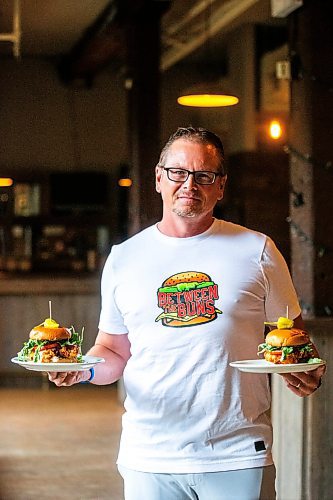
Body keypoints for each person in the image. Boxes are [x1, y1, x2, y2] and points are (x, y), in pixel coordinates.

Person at [48, 126, 325, 500]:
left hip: (236, 452)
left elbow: (292, 341)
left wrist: (304, 369)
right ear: (159, 178)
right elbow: (113, 352)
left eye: (203, 175)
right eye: (178, 172)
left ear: (220, 186)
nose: (189, 184)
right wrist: (80, 368)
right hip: (149, 454)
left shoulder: (257, 250)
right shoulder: (124, 258)